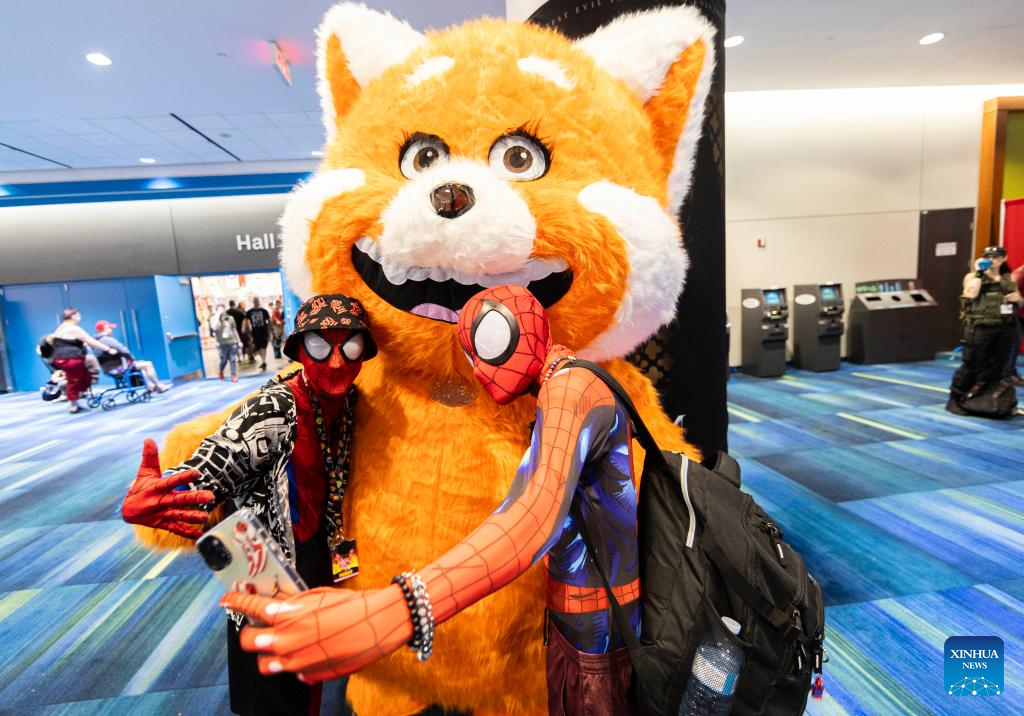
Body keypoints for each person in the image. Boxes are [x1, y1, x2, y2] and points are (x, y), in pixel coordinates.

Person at [223, 286, 641, 715]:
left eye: (489, 343)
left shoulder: (571, 390)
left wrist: (397, 609)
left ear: (526, 329)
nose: (479, 372)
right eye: (471, 356)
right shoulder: (563, 386)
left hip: (600, 622)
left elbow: (530, 517)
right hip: (575, 613)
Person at [120, 294, 377, 716]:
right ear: (300, 351)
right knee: (273, 689)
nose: (335, 362)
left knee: (310, 674)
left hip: (320, 555)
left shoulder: (348, 403)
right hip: (268, 567)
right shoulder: (273, 409)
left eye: (349, 346)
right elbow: (210, 467)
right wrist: (157, 496)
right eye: (319, 346)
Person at [948, 246, 1023, 414]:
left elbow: (1019, 304)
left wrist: (1017, 298)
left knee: (998, 366)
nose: (992, 259)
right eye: (988, 256)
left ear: (1004, 258)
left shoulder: (1008, 278)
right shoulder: (973, 277)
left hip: (1005, 327)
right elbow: (971, 294)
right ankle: (955, 398)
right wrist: (979, 272)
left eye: (996, 256)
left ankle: (984, 400)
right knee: (972, 364)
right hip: (980, 327)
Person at [48, 307, 119, 413]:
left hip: (61, 358)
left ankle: (74, 400)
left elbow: (66, 341)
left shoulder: (61, 327)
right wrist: (108, 349)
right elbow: (90, 341)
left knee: (85, 378)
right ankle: (73, 406)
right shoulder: (73, 328)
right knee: (74, 381)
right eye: (78, 315)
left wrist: (81, 344)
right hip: (71, 359)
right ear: (74, 316)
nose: (80, 317)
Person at [93, 319, 170, 393]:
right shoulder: (107, 339)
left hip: (108, 369)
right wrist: (132, 359)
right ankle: (159, 385)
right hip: (119, 368)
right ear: (105, 329)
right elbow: (123, 349)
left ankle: (149, 386)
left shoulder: (96, 341)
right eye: (110, 328)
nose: (111, 330)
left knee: (140, 366)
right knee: (148, 364)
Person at [1005, 261, 1024, 386]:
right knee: (1013, 345)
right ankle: (1008, 374)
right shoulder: (1018, 275)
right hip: (1017, 316)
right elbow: (1008, 298)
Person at [213, 308, 243, 381]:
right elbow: (214, 329)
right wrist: (218, 318)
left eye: (222, 309)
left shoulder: (230, 318)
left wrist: (239, 341)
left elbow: (234, 330)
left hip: (231, 342)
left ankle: (233, 375)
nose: (221, 311)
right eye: (219, 309)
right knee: (224, 360)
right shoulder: (215, 320)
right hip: (222, 344)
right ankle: (221, 371)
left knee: (233, 359)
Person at [246, 297, 272, 371]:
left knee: (263, 347)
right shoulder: (249, 312)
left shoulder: (264, 311)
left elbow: (269, 321)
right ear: (253, 302)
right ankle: (263, 361)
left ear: (259, 302)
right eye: (255, 301)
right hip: (255, 333)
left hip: (263, 332)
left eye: (257, 301)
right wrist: (248, 332)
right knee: (258, 348)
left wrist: (270, 332)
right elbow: (247, 322)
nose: (256, 302)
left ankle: (264, 362)